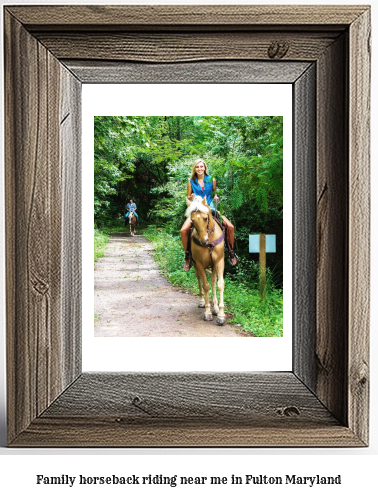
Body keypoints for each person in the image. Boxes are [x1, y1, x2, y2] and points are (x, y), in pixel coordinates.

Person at [180, 159, 238, 271]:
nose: (199, 169)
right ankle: (187, 256)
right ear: (194, 169)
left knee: (230, 226)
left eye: (201, 166)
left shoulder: (212, 180)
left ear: (205, 168)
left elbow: (214, 193)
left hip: (210, 208)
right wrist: (190, 197)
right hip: (197, 210)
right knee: (183, 230)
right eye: (197, 167)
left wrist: (216, 197)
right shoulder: (191, 181)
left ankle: (231, 252)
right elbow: (187, 197)